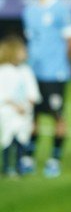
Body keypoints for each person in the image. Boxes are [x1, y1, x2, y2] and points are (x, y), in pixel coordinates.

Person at [21, 0, 71, 178]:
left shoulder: (62, 9)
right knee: (32, 115)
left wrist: (65, 63)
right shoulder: (29, 11)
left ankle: (54, 159)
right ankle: (28, 156)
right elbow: (31, 41)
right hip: (33, 72)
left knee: (57, 116)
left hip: (55, 73)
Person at [0, 36, 41, 177]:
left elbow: (32, 92)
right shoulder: (3, 71)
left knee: (22, 140)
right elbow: (2, 93)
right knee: (8, 139)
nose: (25, 52)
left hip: (24, 113)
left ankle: (19, 165)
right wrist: (15, 106)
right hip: (9, 112)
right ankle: (7, 166)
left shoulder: (26, 70)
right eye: (22, 50)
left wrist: (27, 104)